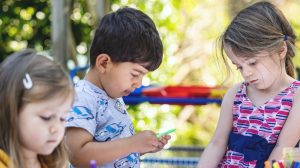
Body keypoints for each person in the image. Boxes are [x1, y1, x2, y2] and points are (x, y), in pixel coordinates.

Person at [197, 1, 300, 168]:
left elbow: (284, 152)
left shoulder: (296, 96)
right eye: (239, 66)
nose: (246, 73)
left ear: (281, 50)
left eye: (252, 63)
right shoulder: (235, 94)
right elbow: (217, 144)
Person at [65, 7, 171, 168]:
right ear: (104, 63)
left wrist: (143, 146)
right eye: (135, 74)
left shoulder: (111, 96)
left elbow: (112, 153)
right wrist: (133, 144)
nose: (139, 83)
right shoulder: (82, 96)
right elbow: (77, 155)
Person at [0, 49, 74, 168]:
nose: (57, 128)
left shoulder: (54, 163)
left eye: (63, 118)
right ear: (11, 111)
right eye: (46, 117)